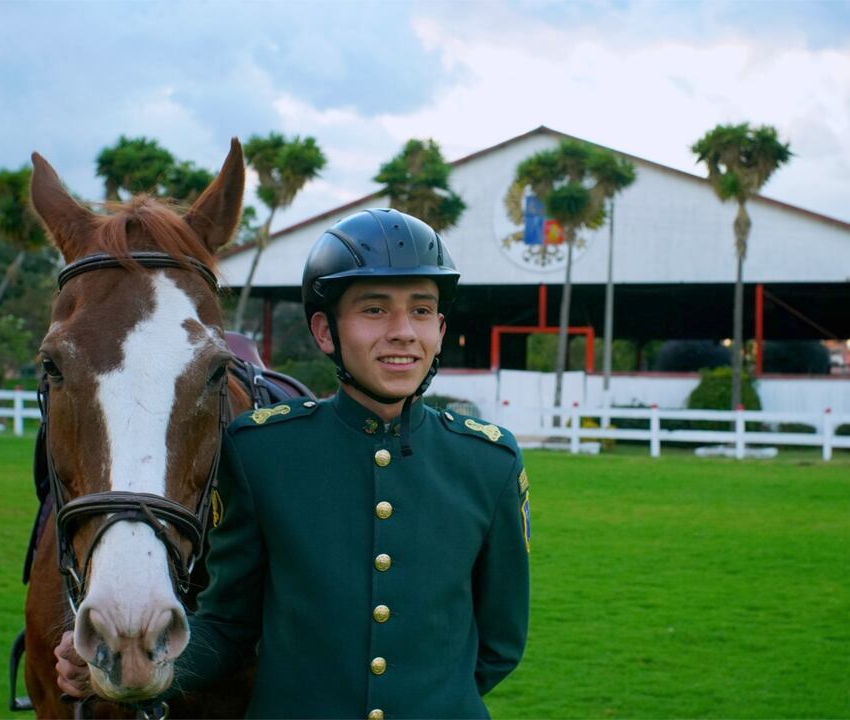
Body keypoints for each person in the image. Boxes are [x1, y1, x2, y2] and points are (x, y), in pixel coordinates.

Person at [55, 208, 531, 719]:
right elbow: (231, 626)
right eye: (374, 310)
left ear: (440, 329)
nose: (402, 333)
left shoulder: (489, 462)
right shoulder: (261, 454)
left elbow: (498, 646)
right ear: (325, 331)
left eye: (420, 311)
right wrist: (146, 665)